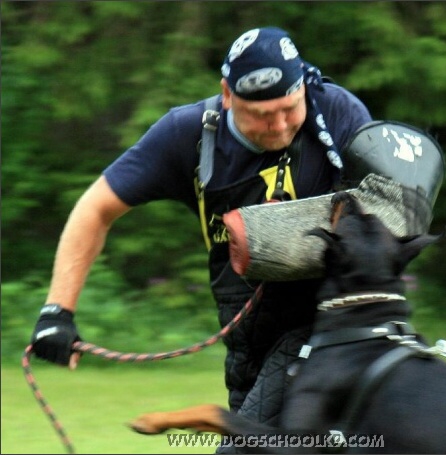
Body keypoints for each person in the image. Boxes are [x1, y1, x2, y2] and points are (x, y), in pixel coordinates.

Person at [31, 26, 372, 434]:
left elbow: (385, 211)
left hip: (340, 316)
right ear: (228, 95)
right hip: (250, 325)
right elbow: (95, 208)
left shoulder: (339, 113)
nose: (280, 127)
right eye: (261, 115)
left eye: (290, 108)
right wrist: (57, 311)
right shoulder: (187, 135)